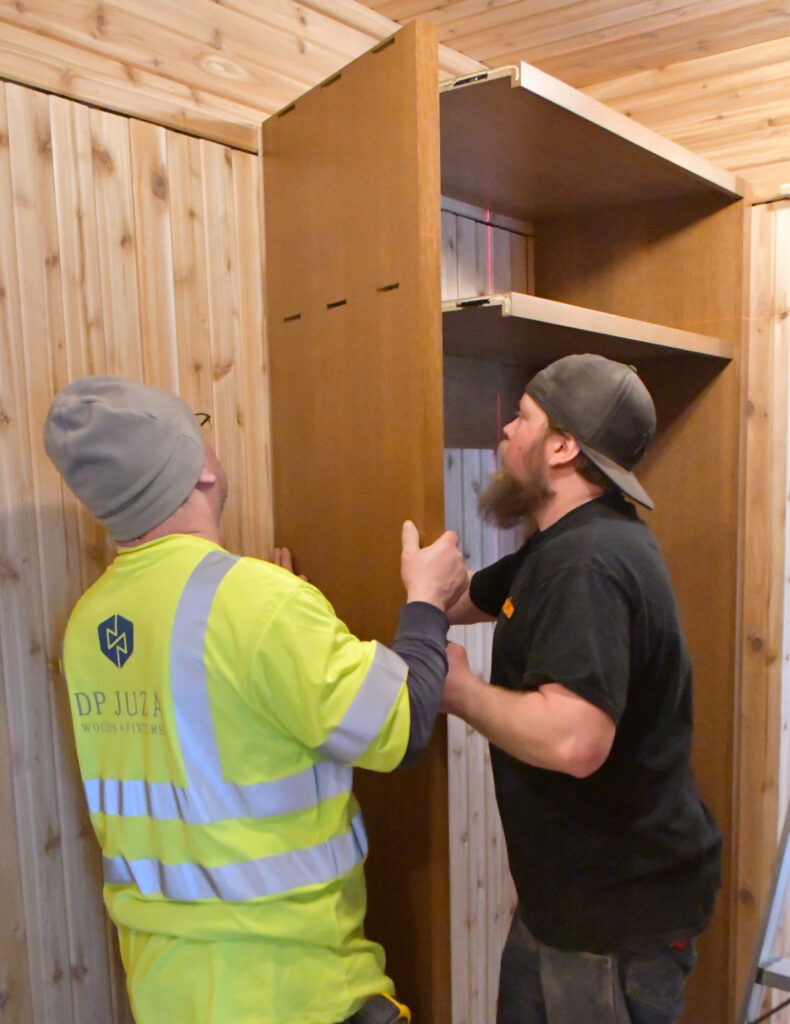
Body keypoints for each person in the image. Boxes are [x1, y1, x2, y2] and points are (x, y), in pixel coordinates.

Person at [43, 375, 467, 1024]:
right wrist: (426, 600)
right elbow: (401, 726)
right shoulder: (257, 603)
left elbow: (215, 732)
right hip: (300, 995)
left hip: (169, 998)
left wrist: (286, 639)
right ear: (199, 472)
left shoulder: (86, 624)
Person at [442, 354, 722, 1024]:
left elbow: (574, 741)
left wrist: (460, 691)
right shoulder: (564, 544)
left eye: (523, 419)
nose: (505, 432)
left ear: (564, 447)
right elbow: (473, 596)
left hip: (613, 921)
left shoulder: (587, 563)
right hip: (570, 905)